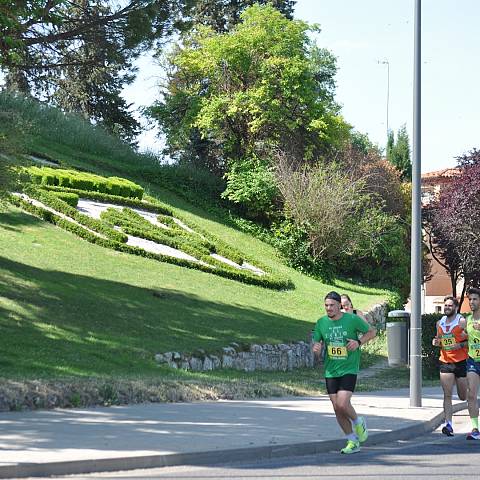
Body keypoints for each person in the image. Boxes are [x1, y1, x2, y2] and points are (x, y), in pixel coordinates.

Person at [312, 291, 376, 454]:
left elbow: (371, 332)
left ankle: (358, 421)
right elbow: (317, 346)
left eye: (332, 305)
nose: (329, 308)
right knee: (336, 408)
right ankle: (352, 441)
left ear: (339, 305)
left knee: (342, 403)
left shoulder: (352, 319)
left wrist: (358, 342)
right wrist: (316, 349)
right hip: (331, 370)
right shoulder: (321, 323)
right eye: (326, 305)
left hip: (349, 368)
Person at [431, 295, 467, 436]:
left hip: (461, 362)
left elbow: (471, 340)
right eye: (445, 305)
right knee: (447, 395)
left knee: (463, 396)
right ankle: (448, 424)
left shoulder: (462, 321)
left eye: (450, 305)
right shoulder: (439, 323)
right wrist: (436, 342)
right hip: (446, 361)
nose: (447, 307)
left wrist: (459, 344)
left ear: (456, 308)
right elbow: (439, 339)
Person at [465, 287, 480, 440]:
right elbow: (465, 339)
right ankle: (476, 428)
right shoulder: (468, 319)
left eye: (475, 299)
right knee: (471, 395)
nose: (472, 302)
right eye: (470, 299)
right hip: (473, 361)